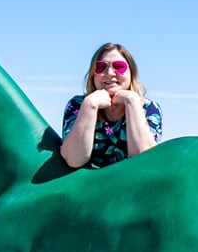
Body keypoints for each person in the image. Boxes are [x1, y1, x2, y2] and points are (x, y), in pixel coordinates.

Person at [59, 42, 161, 171]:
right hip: (89, 187)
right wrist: (90, 106)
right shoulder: (78, 105)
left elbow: (145, 160)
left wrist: (132, 102)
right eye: (101, 67)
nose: (110, 73)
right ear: (93, 74)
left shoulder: (148, 108)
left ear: (131, 72)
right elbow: (74, 160)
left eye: (119, 66)